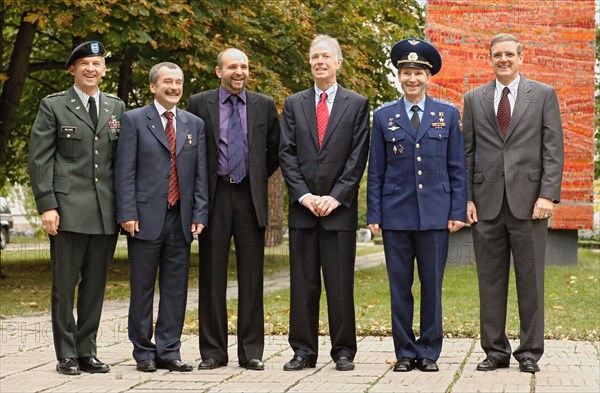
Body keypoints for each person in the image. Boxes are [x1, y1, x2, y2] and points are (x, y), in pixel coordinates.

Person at [463, 33, 564, 374]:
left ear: (522, 57)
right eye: (497, 55)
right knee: (489, 281)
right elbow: (468, 152)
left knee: (530, 280)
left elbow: (553, 148)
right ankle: (494, 351)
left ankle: (530, 352)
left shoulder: (544, 95)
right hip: (486, 204)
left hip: (530, 203)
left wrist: (547, 194)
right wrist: (467, 199)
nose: (503, 59)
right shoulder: (474, 98)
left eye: (509, 54)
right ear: (489, 58)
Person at [367, 38, 467, 373]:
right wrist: (374, 215)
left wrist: (456, 211)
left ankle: (428, 351)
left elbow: (456, 167)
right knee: (399, 288)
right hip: (396, 215)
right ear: (399, 76)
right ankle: (405, 353)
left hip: (436, 215)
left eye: (418, 73)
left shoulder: (447, 115)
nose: (412, 79)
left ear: (428, 77)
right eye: (406, 72)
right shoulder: (383, 117)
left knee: (432, 288)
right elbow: (376, 170)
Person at [28, 41, 125, 375]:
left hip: (104, 211)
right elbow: (40, 159)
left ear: (104, 70)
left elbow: (120, 162)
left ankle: (87, 351)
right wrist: (47, 205)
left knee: (95, 286)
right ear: (73, 69)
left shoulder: (116, 106)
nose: (91, 69)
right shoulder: (54, 106)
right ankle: (66, 354)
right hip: (67, 209)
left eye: (97, 63)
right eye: (84, 63)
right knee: (64, 285)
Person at [279, 34, 370, 372]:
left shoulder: (357, 104)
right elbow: (287, 154)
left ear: (338, 62)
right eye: (315, 56)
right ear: (310, 62)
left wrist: (335, 197)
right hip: (303, 210)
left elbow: (357, 156)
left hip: (338, 212)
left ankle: (343, 350)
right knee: (303, 284)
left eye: (326, 57)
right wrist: (304, 195)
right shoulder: (293, 103)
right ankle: (303, 350)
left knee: (339, 284)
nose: (320, 62)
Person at [186, 48, 280, 371]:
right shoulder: (199, 104)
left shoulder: (264, 106)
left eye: (244, 67)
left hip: (249, 195)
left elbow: (275, 151)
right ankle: (213, 352)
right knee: (211, 275)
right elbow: (192, 151)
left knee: (252, 277)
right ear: (218, 71)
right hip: (214, 195)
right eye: (232, 67)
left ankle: (251, 351)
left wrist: (253, 175)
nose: (238, 72)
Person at [114, 62, 208, 373]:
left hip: (180, 218)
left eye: (179, 82)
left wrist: (199, 212)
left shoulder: (194, 124)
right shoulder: (134, 120)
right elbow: (124, 171)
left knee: (175, 288)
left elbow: (200, 176)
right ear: (153, 86)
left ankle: (169, 350)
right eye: (168, 81)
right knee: (142, 288)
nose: (174, 87)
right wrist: (127, 212)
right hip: (144, 218)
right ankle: (143, 351)